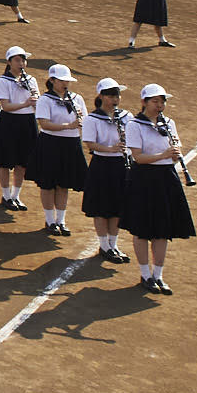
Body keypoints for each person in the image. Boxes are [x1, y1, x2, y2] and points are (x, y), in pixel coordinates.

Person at [122, 83, 195, 293]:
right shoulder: (134, 125)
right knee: (142, 230)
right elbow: (138, 157)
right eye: (155, 101)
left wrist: (173, 156)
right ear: (144, 102)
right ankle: (145, 275)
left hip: (165, 178)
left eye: (162, 101)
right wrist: (163, 156)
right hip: (143, 178)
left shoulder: (169, 123)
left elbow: (174, 151)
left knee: (162, 230)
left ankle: (158, 276)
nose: (160, 105)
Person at [28, 61, 88, 235]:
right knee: (48, 184)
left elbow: (84, 119)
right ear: (52, 80)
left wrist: (79, 125)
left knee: (63, 184)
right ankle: (49, 221)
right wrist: (68, 125)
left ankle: (60, 221)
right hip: (51, 144)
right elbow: (44, 124)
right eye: (62, 80)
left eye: (67, 81)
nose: (66, 84)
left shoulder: (77, 99)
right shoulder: (45, 99)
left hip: (71, 144)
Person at [79, 75, 133, 265]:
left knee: (117, 208)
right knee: (102, 208)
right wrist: (110, 149)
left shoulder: (126, 117)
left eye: (117, 95)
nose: (115, 99)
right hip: (102, 165)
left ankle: (113, 244)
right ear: (101, 96)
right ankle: (104, 246)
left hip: (121, 166)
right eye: (110, 95)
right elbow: (90, 144)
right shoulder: (92, 119)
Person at [0, 46, 40, 216]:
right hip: (9, 122)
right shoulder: (3, 80)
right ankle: (5, 195)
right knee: (5, 161)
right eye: (17, 60)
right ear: (9, 62)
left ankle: (15, 195)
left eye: (23, 60)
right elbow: (6, 106)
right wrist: (26, 104)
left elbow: (37, 100)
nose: (21, 63)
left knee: (22, 162)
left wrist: (35, 102)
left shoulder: (31, 80)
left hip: (27, 123)